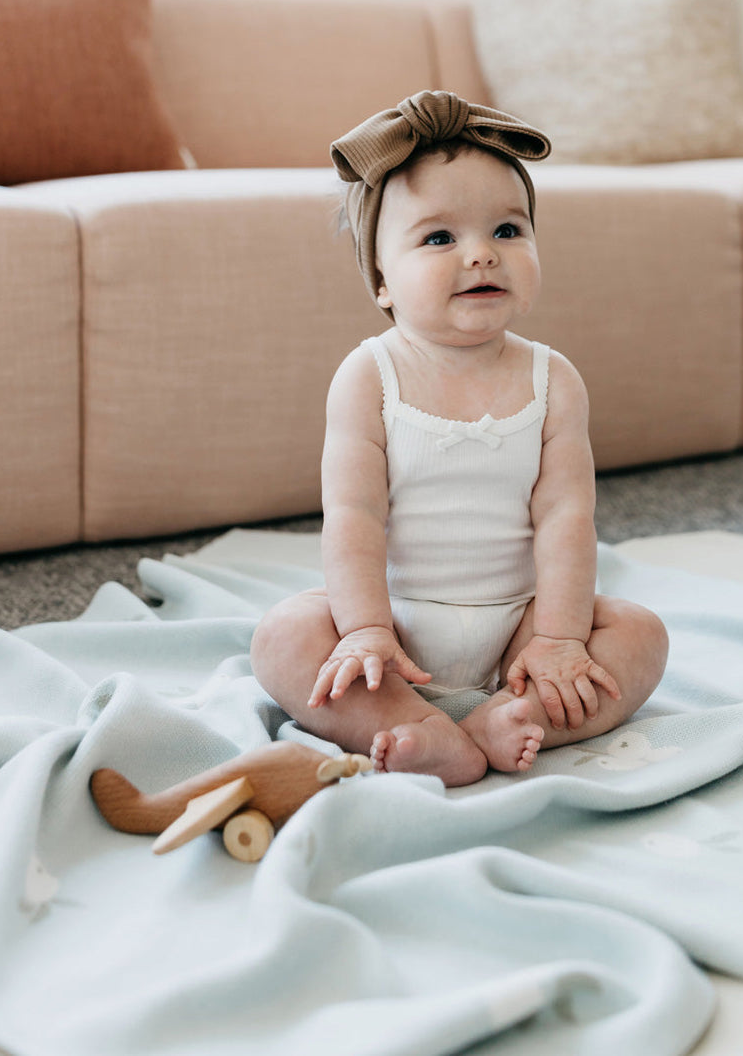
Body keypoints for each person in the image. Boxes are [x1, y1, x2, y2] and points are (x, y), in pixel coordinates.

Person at [250, 91, 669, 786]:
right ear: (381, 280)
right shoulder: (369, 377)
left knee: (640, 636)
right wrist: (362, 629)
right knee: (284, 638)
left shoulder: (552, 379)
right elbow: (354, 517)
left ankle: (513, 713)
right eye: (439, 238)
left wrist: (561, 639)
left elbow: (567, 517)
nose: (481, 255)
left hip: (521, 635)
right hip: (398, 634)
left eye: (508, 231)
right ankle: (413, 723)